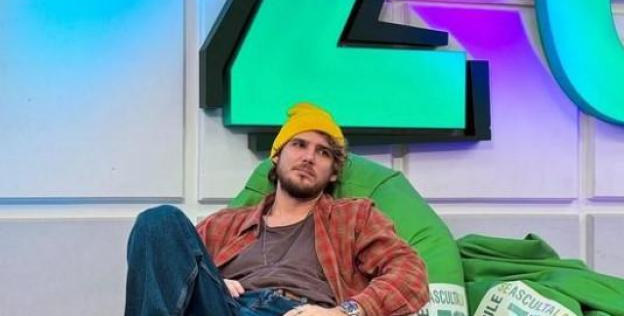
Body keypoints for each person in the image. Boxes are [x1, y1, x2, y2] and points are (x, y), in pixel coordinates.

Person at [125, 102, 429, 316]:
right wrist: (213, 285)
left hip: (298, 310)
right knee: (158, 220)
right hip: (226, 307)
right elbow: (170, 271)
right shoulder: (223, 225)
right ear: (276, 155)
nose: (309, 157)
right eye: (299, 145)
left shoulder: (354, 217)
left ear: (334, 173)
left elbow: (410, 276)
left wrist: (344, 312)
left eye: (323, 152)